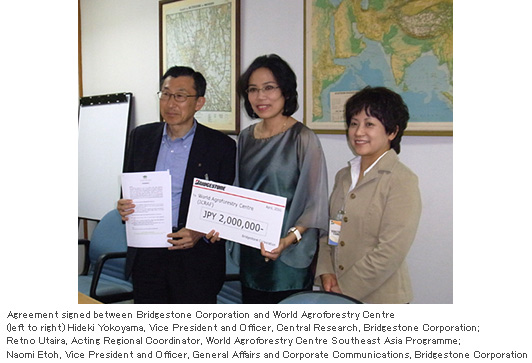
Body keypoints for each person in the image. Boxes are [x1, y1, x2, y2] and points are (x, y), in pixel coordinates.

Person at [117, 66, 236, 304]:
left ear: (199, 102)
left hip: (195, 259)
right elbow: (128, 187)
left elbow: (225, 207)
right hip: (147, 254)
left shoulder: (220, 146)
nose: (171, 103)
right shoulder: (141, 137)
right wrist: (124, 206)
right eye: (165, 94)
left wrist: (199, 231)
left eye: (180, 96)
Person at [229, 54, 329, 304]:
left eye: (269, 88)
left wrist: (287, 240)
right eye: (253, 90)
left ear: (286, 91)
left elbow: (315, 203)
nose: (260, 97)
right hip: (253, 252)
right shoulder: (245, 137)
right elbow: (239, 191)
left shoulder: (303, 138)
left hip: (288, 256)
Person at [316, 86, 422, 304]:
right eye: (354, 123)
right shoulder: (344, 176)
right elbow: (333, 231)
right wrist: (326, 272)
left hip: (382, 299)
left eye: (369, 124)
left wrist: (344, 287)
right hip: (337, 293)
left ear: (392, 131)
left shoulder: (401, 180)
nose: (358, 132)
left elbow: (390, 251)